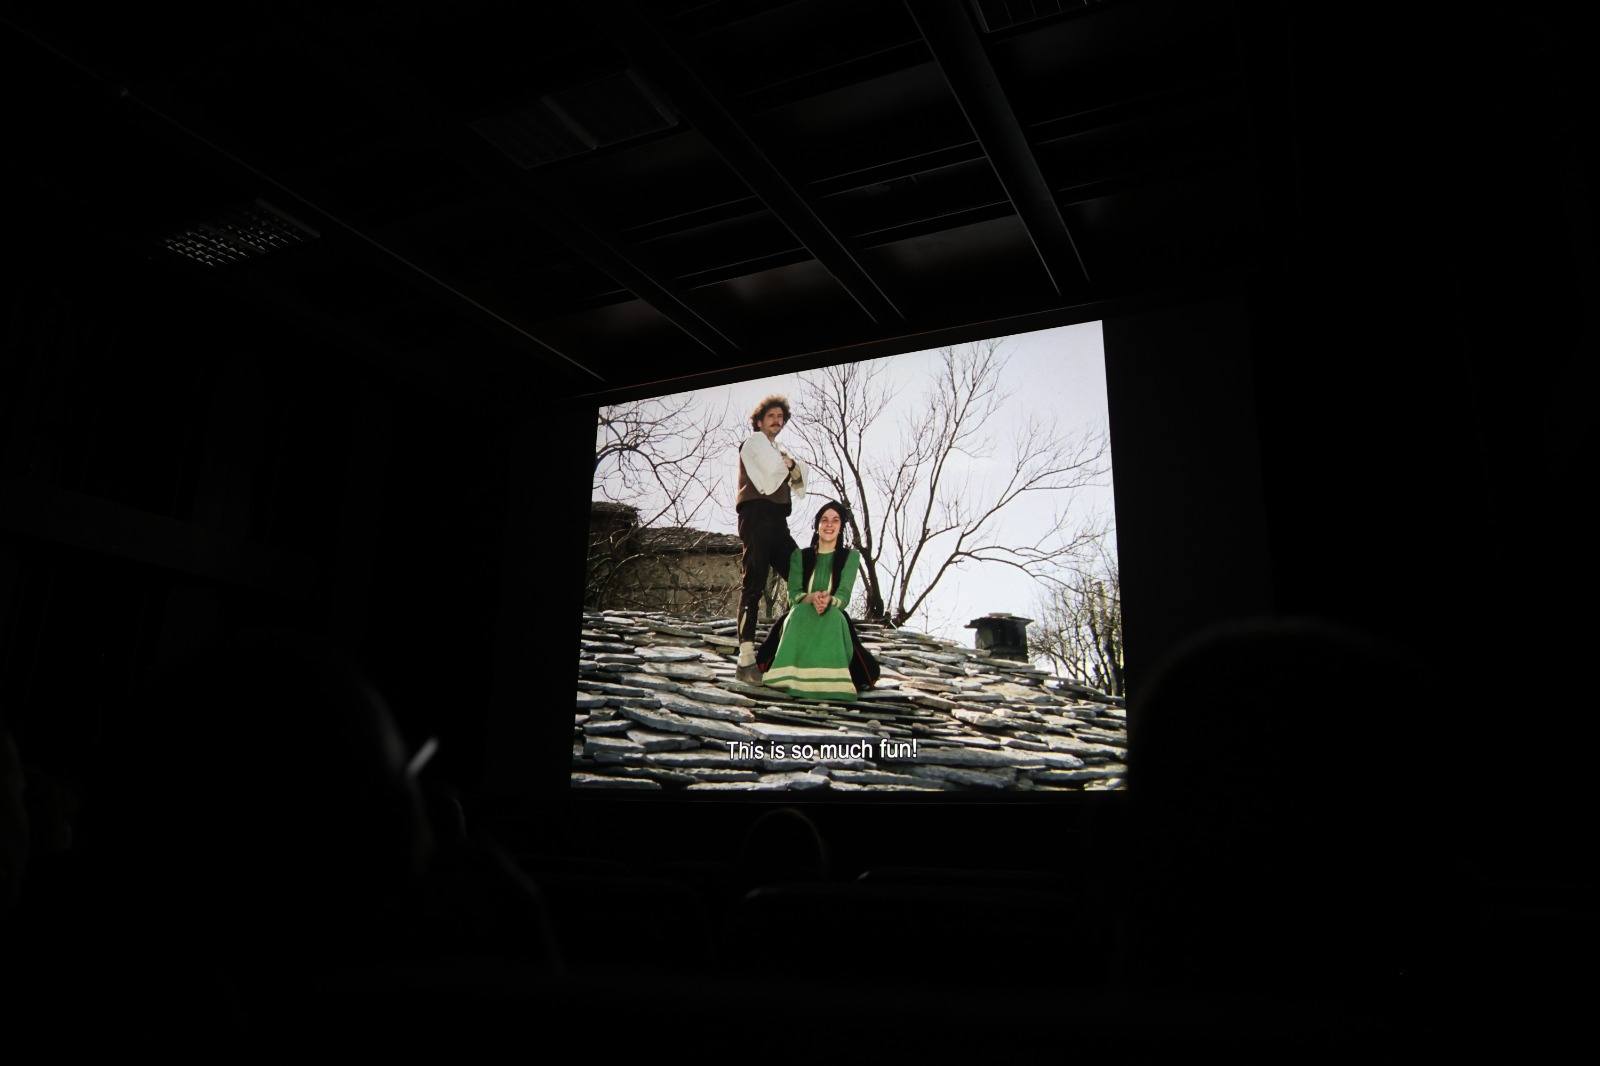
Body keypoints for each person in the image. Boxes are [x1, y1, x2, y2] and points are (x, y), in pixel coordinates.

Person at [734, 394, 807, 684]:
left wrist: (790, 464)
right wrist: (788, 465)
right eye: (771, 416)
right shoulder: (754, 443)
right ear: (760, 421)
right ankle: (746, 660)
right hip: (756, 516)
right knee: (754, 582)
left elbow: (799, 479)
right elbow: (768, 479)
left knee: (802, 574)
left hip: (778, 521)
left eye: (780, 417)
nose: (777, 421)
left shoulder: (779, 450)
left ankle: (780, 648)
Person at [762, 501, 861, 702]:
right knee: (797, 613)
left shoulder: (851, 557)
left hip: (833, 611)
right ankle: (788, 677)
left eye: (835, 520)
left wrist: (829, 600)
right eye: (824, 520)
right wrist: (812, 597)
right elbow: (794, 594)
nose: (829, 524)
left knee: (834, 618)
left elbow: (844, 594)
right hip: (802, 610)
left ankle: (832, 682)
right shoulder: (800, 556)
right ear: (817, 526)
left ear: (841, 527)